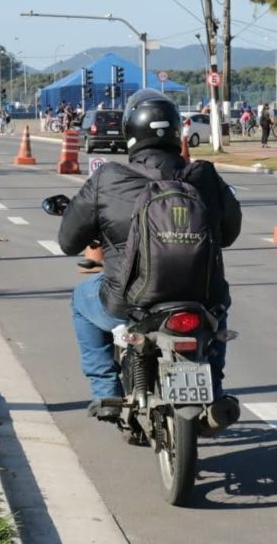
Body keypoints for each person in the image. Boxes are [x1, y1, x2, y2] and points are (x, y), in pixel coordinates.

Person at [57, 89, 242, 431]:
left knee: (80, 302)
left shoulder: (108, 179)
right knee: (216, 320)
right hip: (203, 299)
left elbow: (68, 242)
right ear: (176, 132)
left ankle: (106, 393)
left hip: (130, 301)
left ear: (130, 133)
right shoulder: (206, 176)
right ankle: (213, 393)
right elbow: (229, 234)